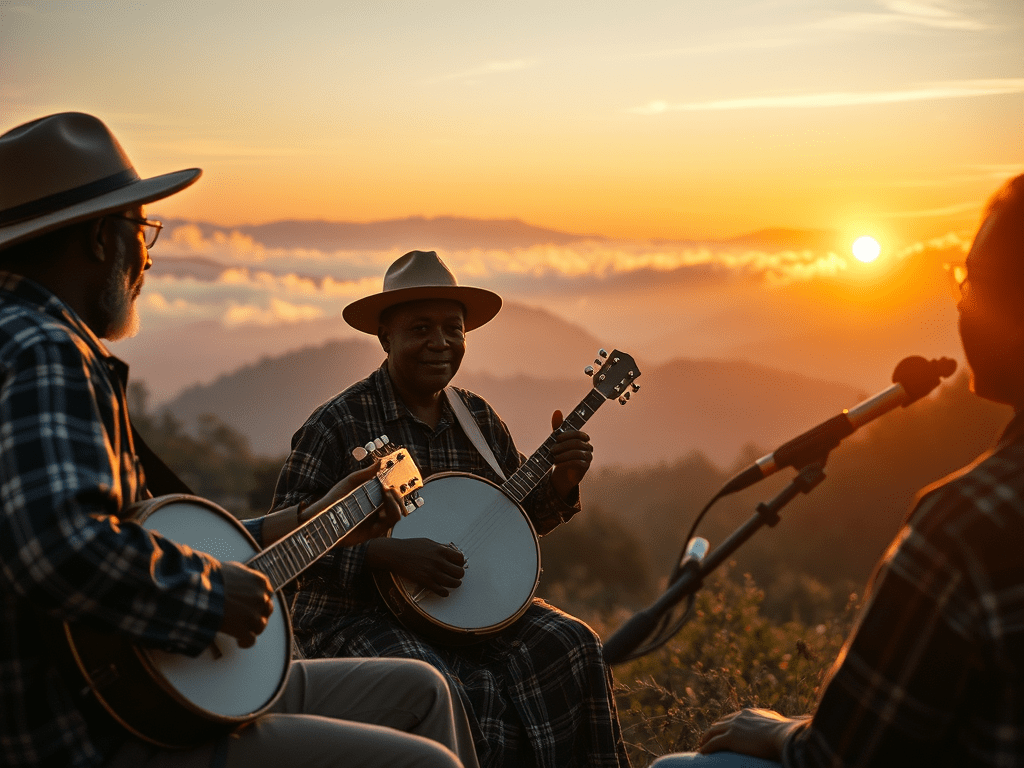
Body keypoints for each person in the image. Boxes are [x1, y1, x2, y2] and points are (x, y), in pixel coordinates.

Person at [0, 112, 480, 768]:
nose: (147, 256)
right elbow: (58, 548)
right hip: (98, 730)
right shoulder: (47, 350)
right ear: (98, 241)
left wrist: (313, 517)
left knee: (421, 691)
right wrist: (206, 595)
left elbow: (137, 536)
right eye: (142, 231)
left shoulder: (28, 339)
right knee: (426, 764)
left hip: (143, 687)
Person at [650, 174, 1024, 767]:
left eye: (970, 283)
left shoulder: (969, 522)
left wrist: (776, 731)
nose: (959, 301)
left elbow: (843, 756)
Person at [270, 250, 631, 768]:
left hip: (467, 609)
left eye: (452, 329)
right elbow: (288, 552)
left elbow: (510, 521)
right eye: (421, 328)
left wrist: (562, 483)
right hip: (355, 616)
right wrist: (387, 556)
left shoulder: (478, 419)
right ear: (384, 337)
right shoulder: (337, 425)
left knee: (574, 644)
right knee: (453, 686)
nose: (440, 343)